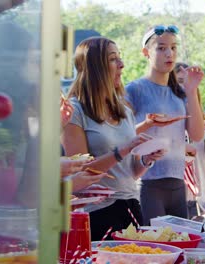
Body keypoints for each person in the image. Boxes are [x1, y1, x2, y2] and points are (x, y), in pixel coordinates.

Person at [62, 37, 165, 240]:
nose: (122, 64)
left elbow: (131, 173)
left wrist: (146, 159)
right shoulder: (74, 111)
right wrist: (122, 150)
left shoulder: (124, 111)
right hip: (97, 214)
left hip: (132, 207)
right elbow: (82, 173)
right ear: (95, 67)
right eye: (112, 59)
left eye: (120, 57)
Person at [125, 25, 205, 224]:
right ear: (146, 52)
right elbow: (121, 137)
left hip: (178, 184)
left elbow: (196, 135)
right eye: (161, 48)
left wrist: (192, 90)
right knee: (155, 248)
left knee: (181, 247)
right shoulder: (134, 90)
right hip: (147, 184)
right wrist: (147, 124)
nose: (169, 53)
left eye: (173, 47)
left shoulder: (180, 91)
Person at [175, 62, 205, 218]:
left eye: (188, 81)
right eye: (179, 82)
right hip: (176, 200)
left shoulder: (203, 122)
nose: (184, 87)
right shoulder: (162, 125)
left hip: (203, 200)